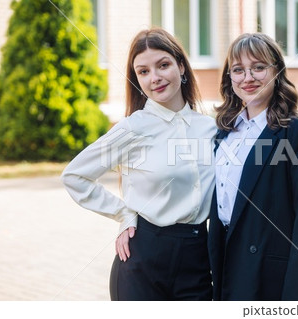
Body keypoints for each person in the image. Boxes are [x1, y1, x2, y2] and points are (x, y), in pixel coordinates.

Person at [61, 28, 216, 301]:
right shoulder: (132, 129)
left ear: (181, 66)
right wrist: (123, 214)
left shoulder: (210, 129)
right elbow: (75, 175)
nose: (154, 78)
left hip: (198, 258)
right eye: (143, 71)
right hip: (143, 259)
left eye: (163, 65)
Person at [208, 33, 298, 301]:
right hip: (227, 270)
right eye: (238, 70)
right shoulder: (224, 134)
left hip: (272, 278)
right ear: (230, 78)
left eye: (259, 67)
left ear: (277, 72)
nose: (248, 77)